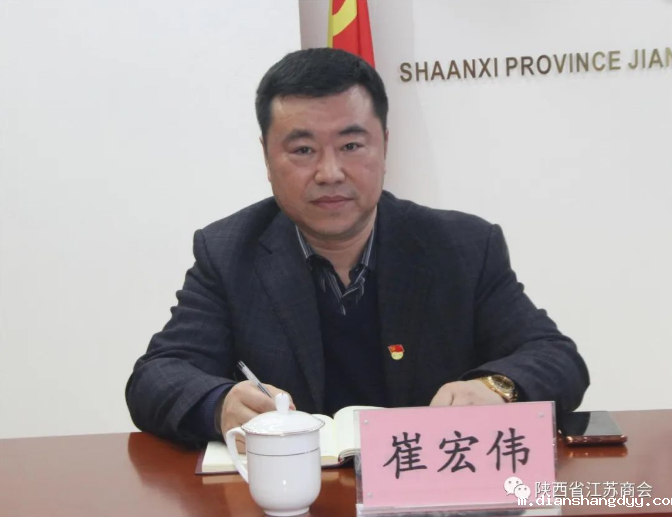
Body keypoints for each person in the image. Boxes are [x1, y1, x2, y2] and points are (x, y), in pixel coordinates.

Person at [126, 48, 589, 448]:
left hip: (429, 493)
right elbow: (157, 376)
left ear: (384, 147)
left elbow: (556, 357)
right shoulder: (229, 252)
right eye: (303, 150)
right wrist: (219, 403)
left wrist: (498, 388)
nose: (330, 173)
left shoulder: (463, 246)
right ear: (266, 157)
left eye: (351, 145)